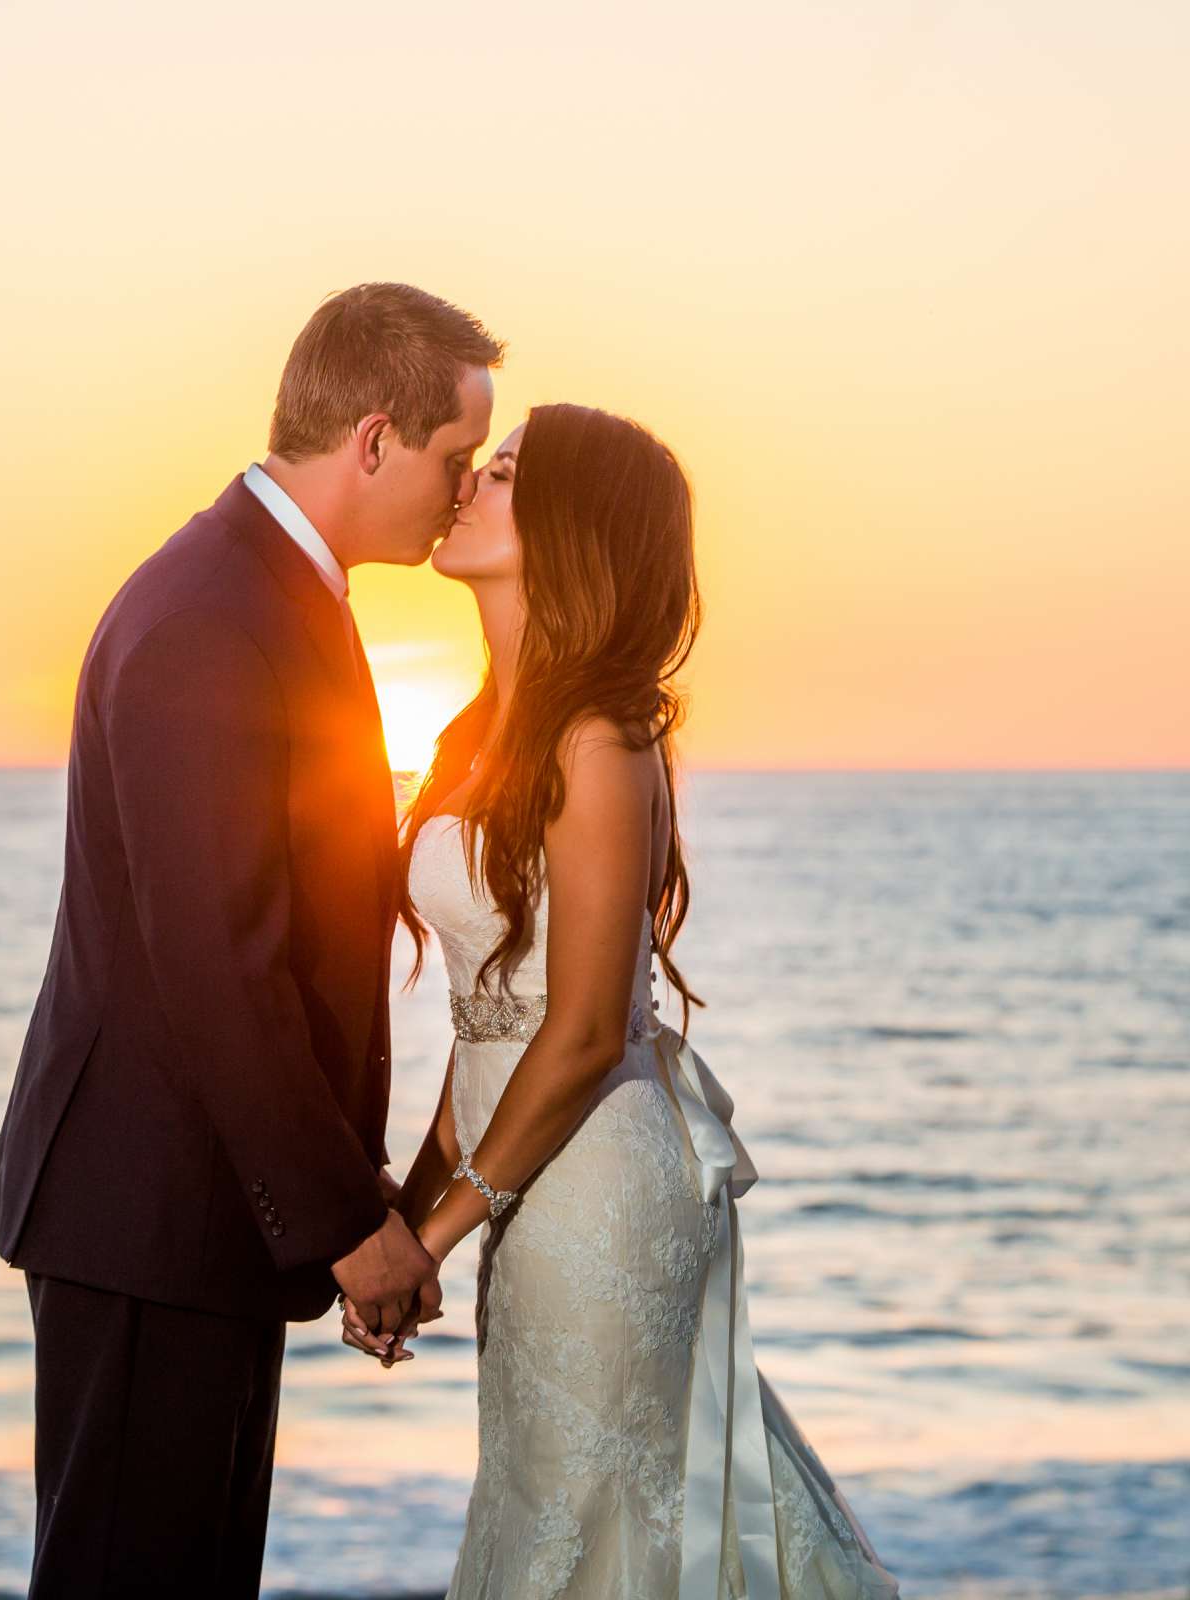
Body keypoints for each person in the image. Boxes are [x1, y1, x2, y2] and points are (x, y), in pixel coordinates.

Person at [0, 282, 502, 1596]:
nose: (461, 490)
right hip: (150, 1216)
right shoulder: (215, 616)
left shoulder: (267, 593)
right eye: (451, 460)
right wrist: (344, 1222)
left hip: (194, 1215)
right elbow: (216, 960)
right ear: (374, 440)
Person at [345, 404, 907, 1599]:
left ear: (571, 530)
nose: (471, 484)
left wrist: (430, 1239)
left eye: (504, 472)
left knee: (588, 1528)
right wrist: (408, 1202)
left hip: (598, 1184)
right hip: (524, 1188)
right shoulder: (477, 732)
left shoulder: (602, 738)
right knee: (546, 1509)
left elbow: (590, 1023)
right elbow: (488, 1011)